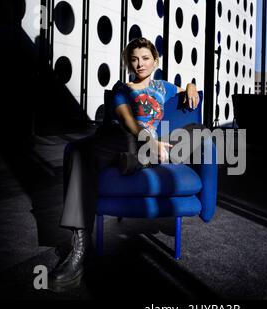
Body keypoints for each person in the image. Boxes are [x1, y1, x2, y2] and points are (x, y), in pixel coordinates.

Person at [48, 37, 201, 291]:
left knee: (200, 130)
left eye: (145, 58)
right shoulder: (122, 88)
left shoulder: (164, 88)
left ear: (155, 61)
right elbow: (127, 119)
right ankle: (80, 248)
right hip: (123, 138)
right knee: (79, 152)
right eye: (134, 59)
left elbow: (185, 91)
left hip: (152, 144)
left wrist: (191, 86)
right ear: (128, 63)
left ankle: (139, 160)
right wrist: (147, 141)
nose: (139, 64)